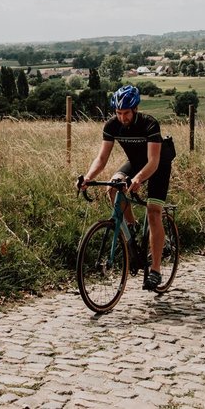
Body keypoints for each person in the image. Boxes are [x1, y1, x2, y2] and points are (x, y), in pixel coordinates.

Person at [77, 84, 175, 291]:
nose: (122, 117)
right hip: (136, 163)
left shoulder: (149, 124)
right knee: (113, 187)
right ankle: (131, 228)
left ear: (135, 109)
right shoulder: (112, 125)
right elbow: (102, 158)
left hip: (157, 165)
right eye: (119, 113)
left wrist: (138, 179)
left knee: (153, 212)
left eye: (126, 113)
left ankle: (156, 271)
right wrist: (87, 177)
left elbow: (153, 161)